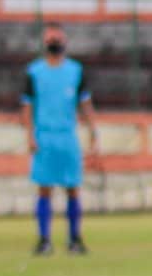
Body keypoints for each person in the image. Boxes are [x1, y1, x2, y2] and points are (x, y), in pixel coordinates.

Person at [21, 22, 99, 256]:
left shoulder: (75, 71)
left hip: (67, 136)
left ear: (64, 41)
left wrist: (93, 131)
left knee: (72, 188)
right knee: (44, 189)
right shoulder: (34, 72)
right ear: (44, 43)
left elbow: (85, 104)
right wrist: (30, 136)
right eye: (50, 39)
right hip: (45, 135)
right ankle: (44, 240)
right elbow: (27, 107)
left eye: (57, 38)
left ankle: (74, 238)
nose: (54, 43)